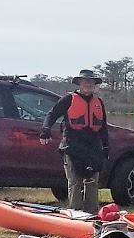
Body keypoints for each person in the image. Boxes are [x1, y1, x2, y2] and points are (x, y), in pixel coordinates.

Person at [40, 69, 110, 213]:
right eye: (85, 81)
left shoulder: (98, 102)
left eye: (90, 82)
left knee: (92, 182)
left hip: (93, 148)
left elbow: (103, 127)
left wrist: (106, 146)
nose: (88, 84)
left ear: (94, 84)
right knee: (75, 182)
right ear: (79, 83)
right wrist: (45, 130)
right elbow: (52, 114)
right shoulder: (68, 99)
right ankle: (75, 213)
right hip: (73, 146)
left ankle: (91, 213)